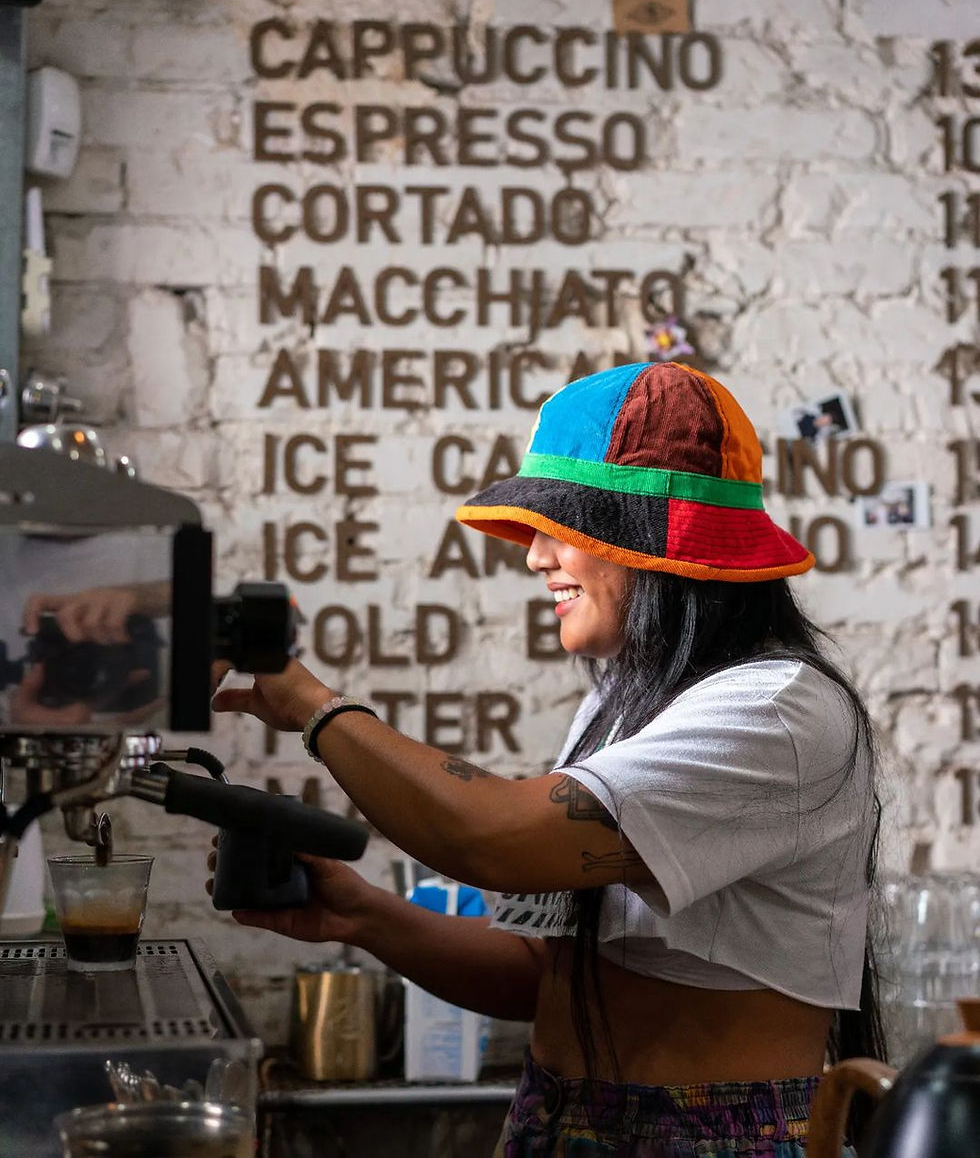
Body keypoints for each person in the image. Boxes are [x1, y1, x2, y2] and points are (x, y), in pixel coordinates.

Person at [210, 362, 882, 1158]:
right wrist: (356, 913)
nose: (533, 557)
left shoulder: (776, 709)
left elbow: (493, 837)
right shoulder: (628, 703)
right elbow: (551, 974)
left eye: (560, 528)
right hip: (560, 1120)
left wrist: (310, 705)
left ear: (642, 535)